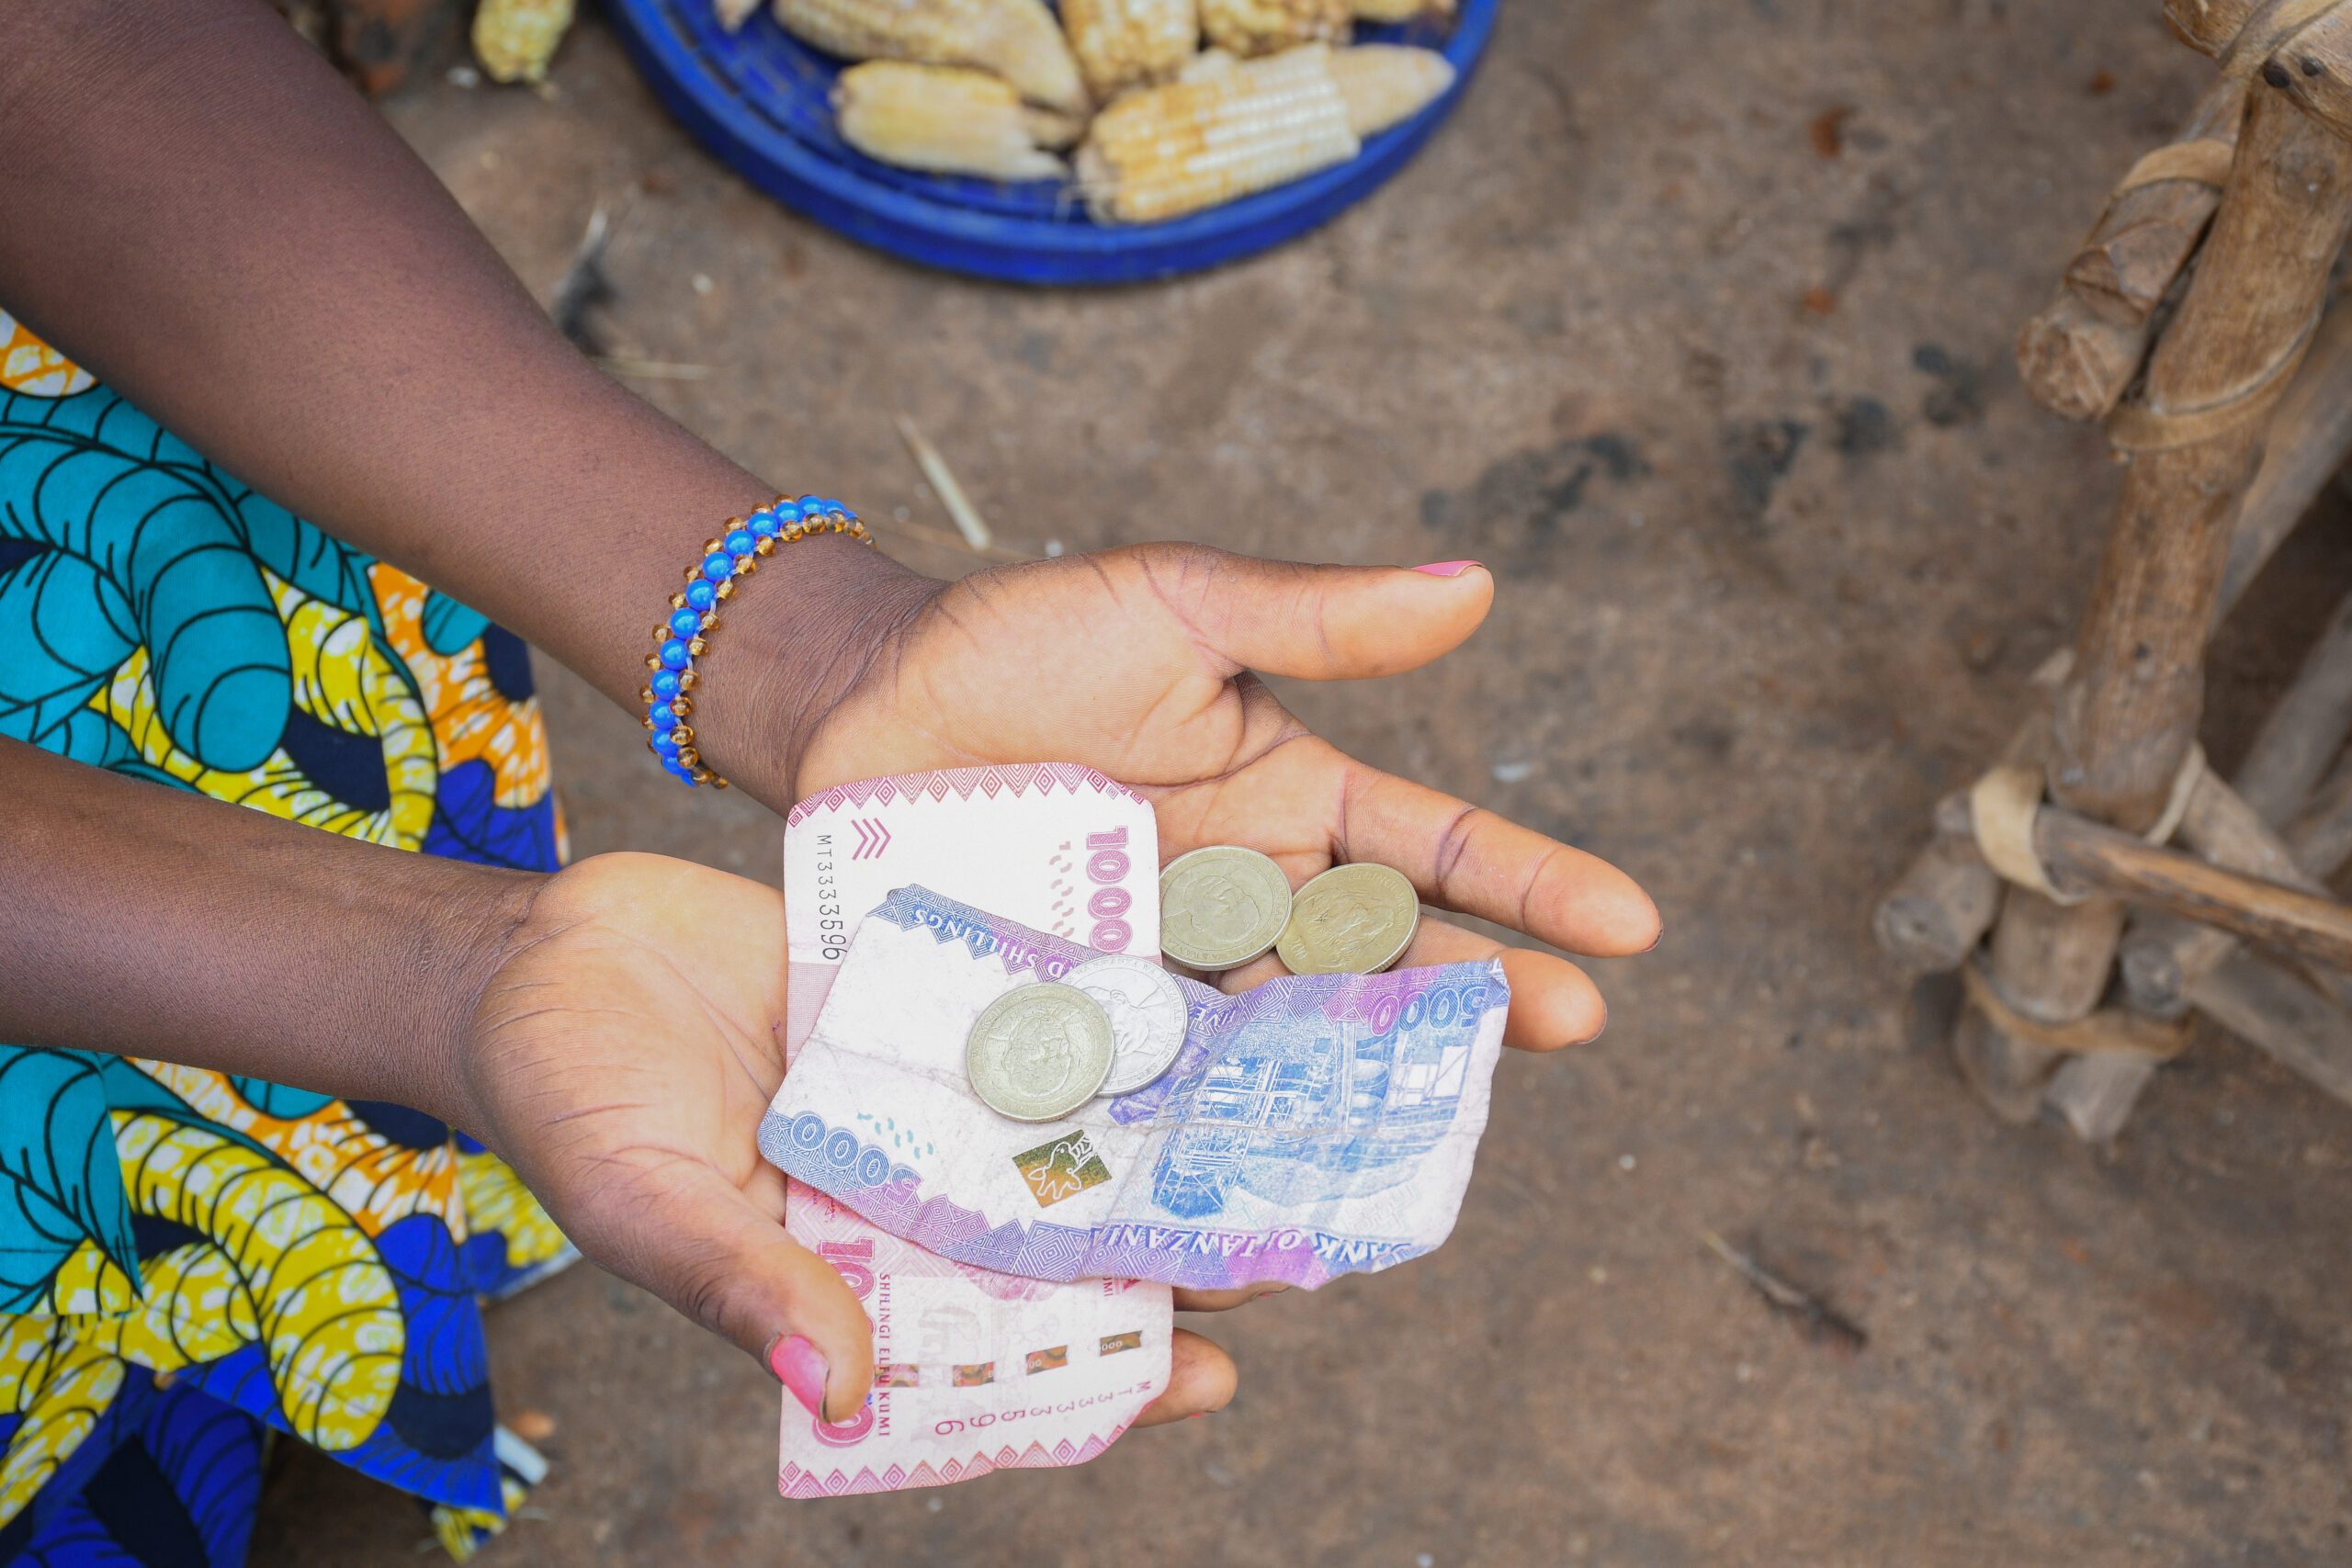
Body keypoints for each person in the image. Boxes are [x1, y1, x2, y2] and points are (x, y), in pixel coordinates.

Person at [0, 2, 1661, 1561]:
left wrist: (816, 654)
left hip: (155, 607)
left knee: (331, 1212)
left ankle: (323, 1335)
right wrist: (441, 978)